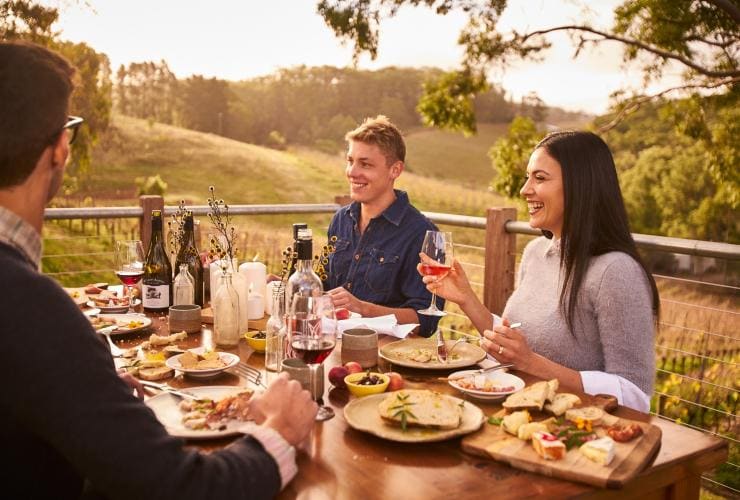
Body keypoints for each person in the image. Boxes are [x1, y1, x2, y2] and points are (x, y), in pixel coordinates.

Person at [0, 40, 317, 499]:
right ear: (60, 148)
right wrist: (281, 431)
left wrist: (94, 397)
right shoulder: (28, 305)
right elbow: (181, 489)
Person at [421, 131, 659, 412]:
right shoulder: (536, 252)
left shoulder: (616, 271)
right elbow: (511, 347)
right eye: (527, 177)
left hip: (572, 431)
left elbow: (635, 394)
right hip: (515, 412)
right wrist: (466, 299)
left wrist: (533, 364)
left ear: (579, 186)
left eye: (540, 178)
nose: (525, 189)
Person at [325, 115, 442, 337]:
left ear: (395, 170)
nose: (352, 172)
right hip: (334, 346)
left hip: (388, 358)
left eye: (365, 164)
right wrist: (289, 284)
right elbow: (325, 283)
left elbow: (426, 320)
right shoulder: (340, 220)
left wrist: (363, 308)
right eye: (350, 161)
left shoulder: (423, 234)